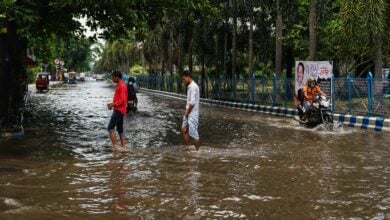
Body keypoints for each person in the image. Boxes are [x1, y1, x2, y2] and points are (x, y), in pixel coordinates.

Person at [107, 71, 128, 151]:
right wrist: (112, 104)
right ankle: (123, 148)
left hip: (119, 110)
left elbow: (122, 100)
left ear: (117, 77)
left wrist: (113, 104)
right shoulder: (120, 85)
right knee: (120, 129)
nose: (112, 79)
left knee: (110, 128)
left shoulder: (122, 86)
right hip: (121, 110)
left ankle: (115, 147)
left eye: (113, 77)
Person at [181, 70, 200, 151]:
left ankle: (198, 151)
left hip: (192, 113)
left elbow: (192, 103)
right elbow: (189, 102)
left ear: (188, 77)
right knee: (184, 129)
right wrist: (186, 112)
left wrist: (187, 113)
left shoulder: (193, 87)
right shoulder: (190, 86)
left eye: (184, 79)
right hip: (188, 112)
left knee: (193, 133)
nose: (183, 80)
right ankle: (189, 148)